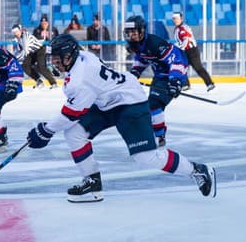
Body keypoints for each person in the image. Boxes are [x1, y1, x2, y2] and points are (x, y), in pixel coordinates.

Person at [26, 34, 216, 203]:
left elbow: (71, 114)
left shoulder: (80, 80)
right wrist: (47, 130)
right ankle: (92, 182)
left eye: (59, 59)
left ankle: (196, 170)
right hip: (107, 100)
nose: (55, 63)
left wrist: (45, 131)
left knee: (145, 157)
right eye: (54, 58)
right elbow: (77, 108)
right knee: (75, 132)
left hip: (130, 104)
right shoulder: (83, 57)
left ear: (71, 55)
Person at [124, 15, 188, 148]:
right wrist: (136, 72)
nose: (131, 35)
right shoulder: (135, 44)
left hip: (174, 74)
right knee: (152, 107)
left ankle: (159, 136)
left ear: (142, 31)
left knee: (153, 105)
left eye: (134, 32)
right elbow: (142, 58)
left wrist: (175, 80)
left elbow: (177, 59)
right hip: (159, 76)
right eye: (129, 33)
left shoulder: (155, 44)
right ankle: (155, 133)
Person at [172, 12, 215, 92]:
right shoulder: (177, 28)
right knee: (181, 68)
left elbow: (186, 39)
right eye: (174, 19)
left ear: (181, 19)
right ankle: (185, 84)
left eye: (177, 18)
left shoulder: (183, 28)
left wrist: (180, 47)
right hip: (184, 51)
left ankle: (210, 83)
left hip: (191, 51)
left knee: (198, 68)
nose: (175, 20)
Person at [32, 14, 59, 89]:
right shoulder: (37, 30)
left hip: (50, 51)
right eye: (42, 23)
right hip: (39, 51)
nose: (44, 24)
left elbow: (57, 39)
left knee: (45, 66)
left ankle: (53, 81)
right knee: (35, 66)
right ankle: (40, 81)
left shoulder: (53, 29)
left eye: (45, 23)